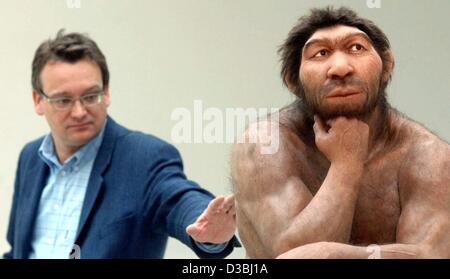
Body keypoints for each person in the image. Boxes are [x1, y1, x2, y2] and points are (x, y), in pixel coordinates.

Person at [231, 6, 450, 259]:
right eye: (320, 53)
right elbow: (296, 255)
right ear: (293, 81)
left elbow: (434, 254)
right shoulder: (266, 144)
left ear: (387, 66)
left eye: (356, 48)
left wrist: (339, 254)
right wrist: (347, 164)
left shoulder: (429, 157)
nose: (340, 68)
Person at [4, 30, 239, 259]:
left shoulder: (144, 158)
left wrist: (207, 229)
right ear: (38, 100)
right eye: (63, 100)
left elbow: (180, 199)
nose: (79, 112)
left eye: (90, 96)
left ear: (106, 93)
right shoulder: (31, 158)